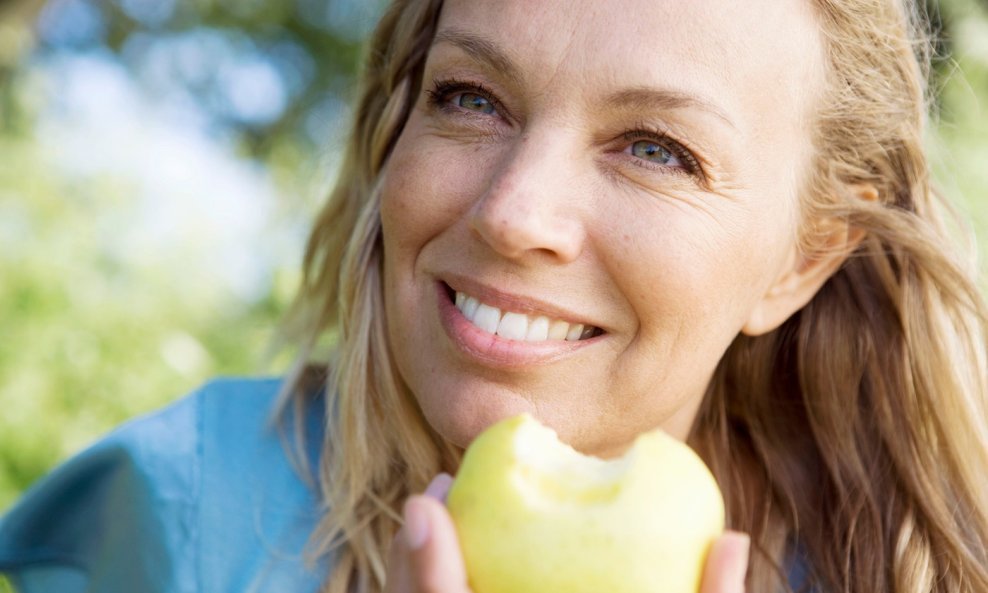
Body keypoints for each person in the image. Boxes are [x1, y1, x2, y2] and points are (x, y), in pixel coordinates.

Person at [2, 0, 987, 591]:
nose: (514, 214)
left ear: (803, 260)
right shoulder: (187, 507)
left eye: (657, 150)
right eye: (471, 98)